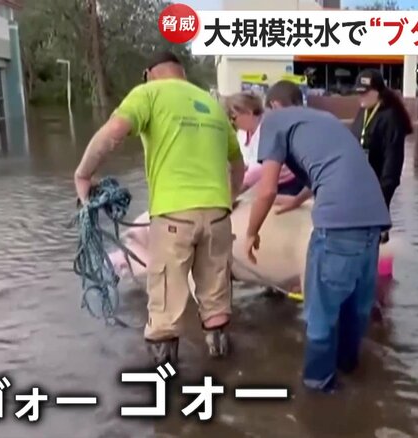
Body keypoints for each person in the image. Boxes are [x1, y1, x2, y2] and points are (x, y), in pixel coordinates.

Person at [74, 51, 245, 365]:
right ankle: (225, 375)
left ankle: (165, 393)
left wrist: (83, 174)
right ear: (181, 72)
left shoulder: (148, 93)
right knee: (216, 299)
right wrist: (229, 200)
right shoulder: (212, 105)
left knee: (165, 302)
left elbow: (112, 135)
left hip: (174, 216)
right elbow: (238, 164)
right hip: (218, 214)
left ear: (148, 74)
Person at [244, 80, 391, 393]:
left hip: (337, 225)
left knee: (321, 314)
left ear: (273, 107)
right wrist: (298, 201)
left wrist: (251, 232)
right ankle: (350, 373)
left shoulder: (274, 122)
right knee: (356, 309)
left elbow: (266, 188)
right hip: (374, 220)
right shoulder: (325, 120)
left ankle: (319, 391)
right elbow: (331, 169)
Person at [349, 69, 413, 243]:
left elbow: (393, 162)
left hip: (378, 188)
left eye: (365, 93)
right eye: (358, 93)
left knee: (374, 234)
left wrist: (382, 198)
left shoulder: (391, 118)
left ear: (378, 92)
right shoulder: (363, 111)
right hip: (359, 185)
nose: (361, 97)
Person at [224, 92, 305, 196]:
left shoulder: (269, 129)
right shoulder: (242, 133)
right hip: (262, 181)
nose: (232, 122)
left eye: (234, 117)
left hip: (287, 184)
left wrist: (233, 193)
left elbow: (258, 170)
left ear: (248, 112)